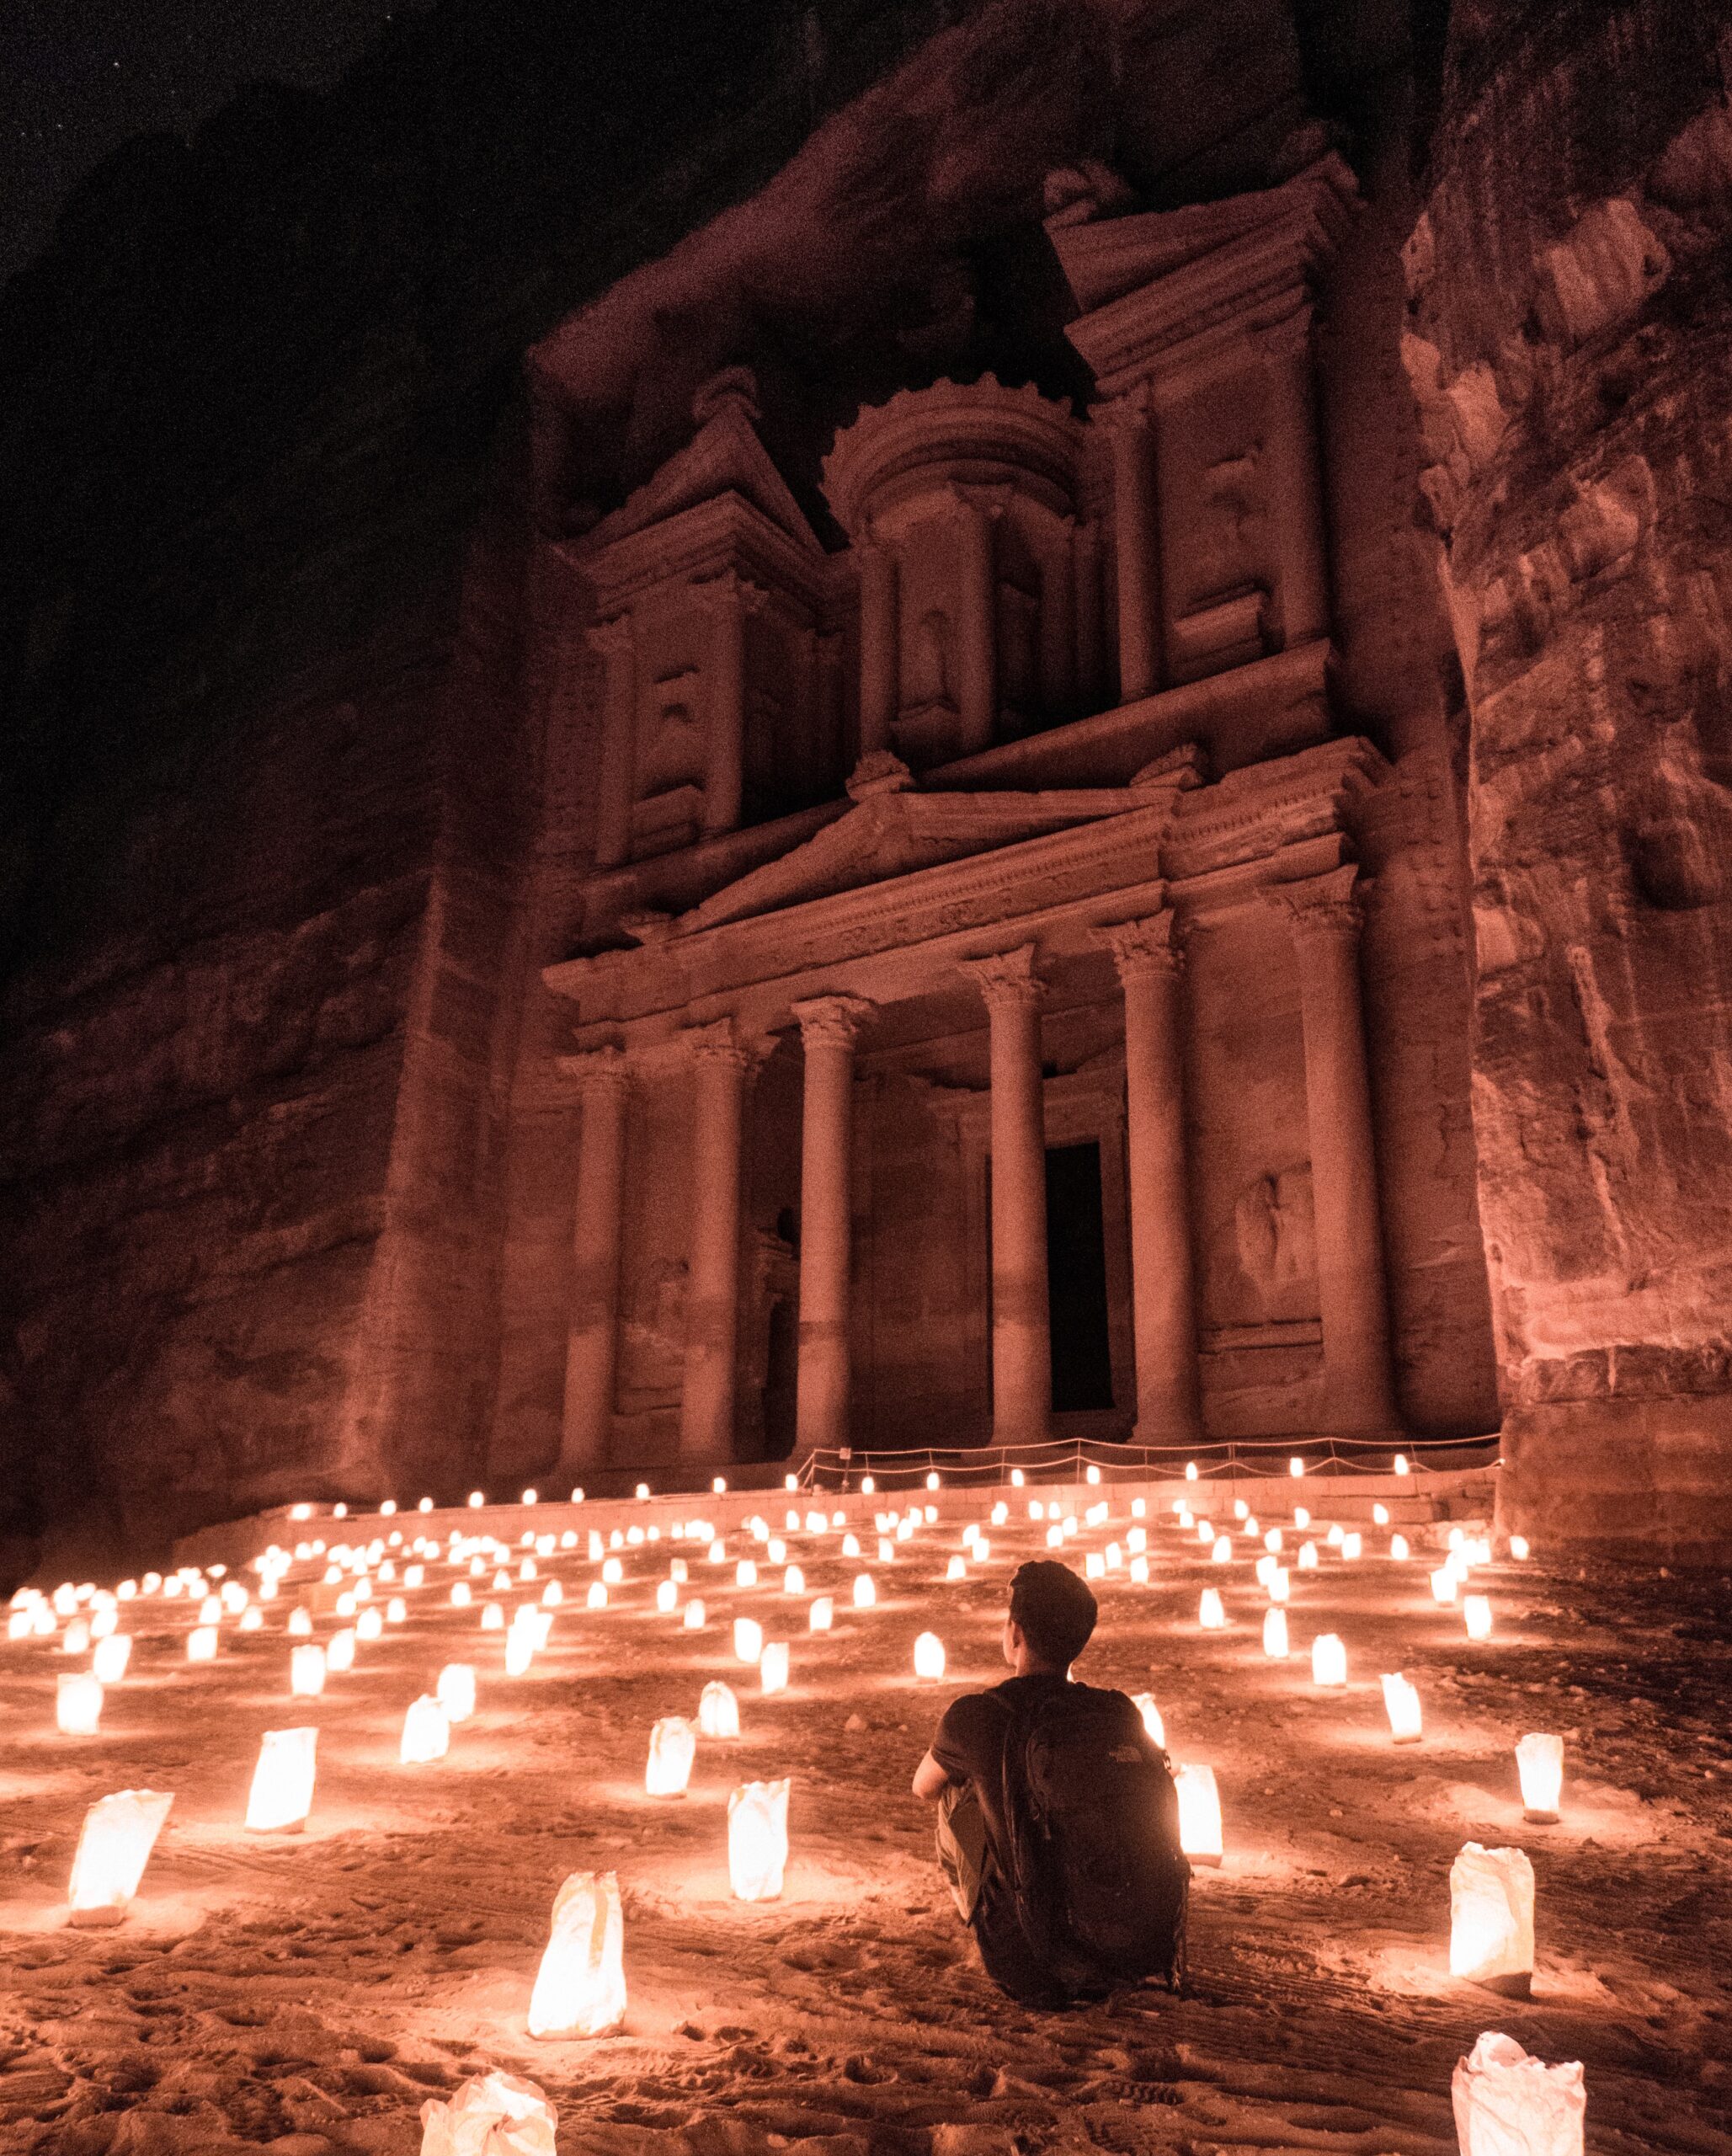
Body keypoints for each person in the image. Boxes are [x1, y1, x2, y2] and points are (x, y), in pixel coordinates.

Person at [912, 1556, 1186, 2005]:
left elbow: (922, 1787)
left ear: (1015, 1633)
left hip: (1030, 1964)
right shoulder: (1119, 1712)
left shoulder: (978, 1714)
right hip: (1134, 1948)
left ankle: (998, 1914)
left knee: (954, 1792)